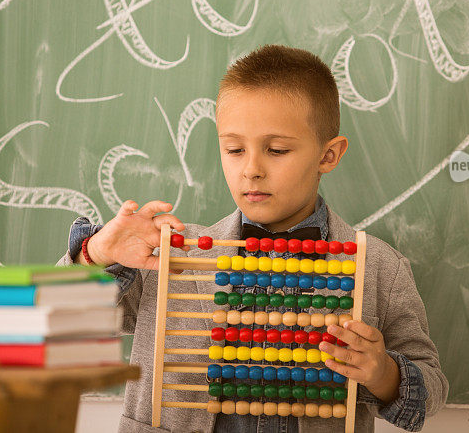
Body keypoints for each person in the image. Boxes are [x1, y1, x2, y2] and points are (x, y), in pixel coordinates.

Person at [58, 45, 448, 432]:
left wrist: (384, 373)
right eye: (234, 149)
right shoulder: (170, 254)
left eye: (276, 150)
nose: (251, 169)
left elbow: (432, 386)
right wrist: (94, 254)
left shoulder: (377, 267)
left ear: (328, 156)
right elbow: (62, 325)